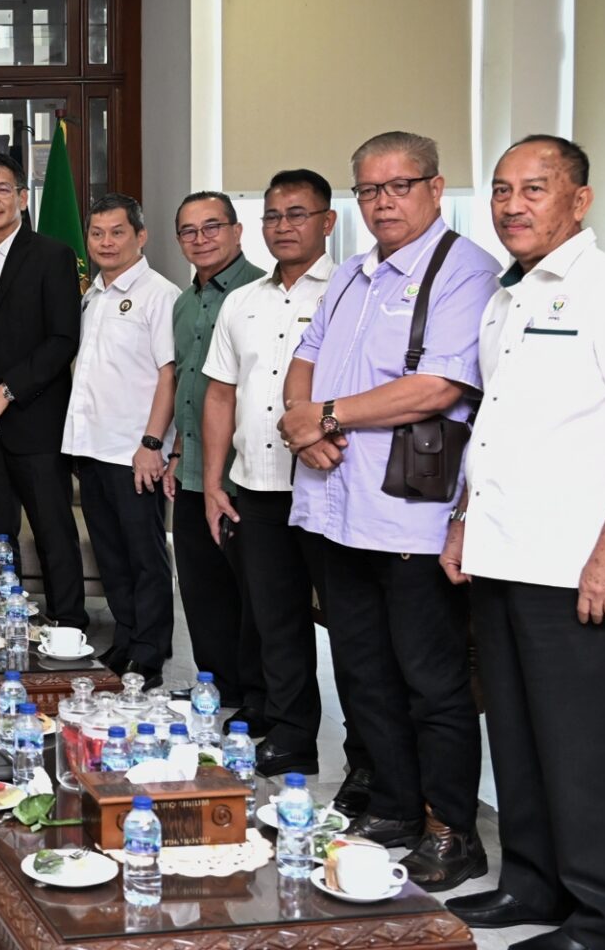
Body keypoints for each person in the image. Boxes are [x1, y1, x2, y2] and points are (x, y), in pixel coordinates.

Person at [441, 136, 605, 946]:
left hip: (578, 566)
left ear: (580, 200)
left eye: (534, 189)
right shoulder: (505, 300)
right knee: (515, 736)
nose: (513, 205)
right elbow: (494, 426)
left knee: (584, 752)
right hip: (502, 552)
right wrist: (464, 519)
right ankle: (532, 886)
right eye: (502, 189)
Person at [278, 130, 500, 889]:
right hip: (335, 507)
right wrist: (302, 424)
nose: (383, 202)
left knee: (430, 681)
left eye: (399, 186)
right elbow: (305, 358)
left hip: (410, 516)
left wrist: (325, 416)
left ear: (435, 189)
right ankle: (395, 807)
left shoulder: (464, 271)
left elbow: (438, 386)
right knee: (362, 673)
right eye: (369, 190)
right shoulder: (351, 274)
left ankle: (451, 828)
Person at [201, 170, 374, 795]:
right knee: (276, 622)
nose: (283, 226)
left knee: (352, 632)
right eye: (273, 216)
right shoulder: (242, 300)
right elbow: (220, 395)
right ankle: (292, 735)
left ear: (328, 221)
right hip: (257, 485)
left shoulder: (354, 290)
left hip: (331, 485)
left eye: (297, 214)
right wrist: (214, 482)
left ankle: (367, 758)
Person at [0, 153, 84, 628]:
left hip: (34, 419)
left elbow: (62, 339)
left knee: (52, 529)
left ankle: (68, 625)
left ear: (23, 198)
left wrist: (6, 392)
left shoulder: (53, 255)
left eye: (2, 189)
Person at [61, 193, 179, 681]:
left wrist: (152, 445)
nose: (106, 242)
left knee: (144, 556)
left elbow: (170, 374)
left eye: (117, 232)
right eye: (97, 233)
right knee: (111, 555)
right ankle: (126, 639)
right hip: (91, 447)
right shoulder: (91, 296)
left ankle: (150, 652)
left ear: (140, 236)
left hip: (134, 452)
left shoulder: (159, 294)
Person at [169, 192, 265, 724]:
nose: (200, 239)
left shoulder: (260, 294)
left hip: (241, 472)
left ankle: (259, 697)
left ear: (236, 230)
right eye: (189, 231)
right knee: (201, 586)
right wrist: (175, 452)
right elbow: (187, 384)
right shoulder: (184, 304)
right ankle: (218, 686)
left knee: (250, 591)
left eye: (212, 227)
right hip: (191, 468)